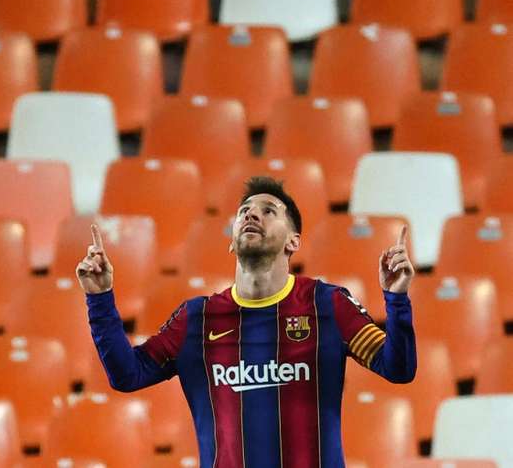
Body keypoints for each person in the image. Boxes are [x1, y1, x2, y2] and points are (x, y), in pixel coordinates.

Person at [76, 176, 417, 468]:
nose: (252, 214)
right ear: (232, 240)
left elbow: (398, 368)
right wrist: (100, 297)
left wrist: (396, 300)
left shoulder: (328, 305)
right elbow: (126, 374)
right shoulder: (196, 319)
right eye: (244, 212)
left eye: (269, 211)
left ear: (293, 241)